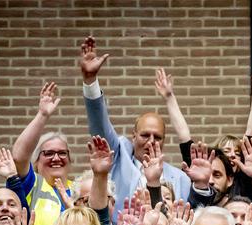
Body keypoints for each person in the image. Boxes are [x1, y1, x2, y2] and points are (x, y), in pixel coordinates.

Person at [79, 36, 191, 205]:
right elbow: (99, 125)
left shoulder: (181, 179)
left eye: (158, 137)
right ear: (134, 136)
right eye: (145, 135)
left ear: (164, 141)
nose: (151, 142)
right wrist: (90, 81)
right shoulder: (118, 158)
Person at [10, 82, 73, 225]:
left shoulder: (80, 189)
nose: (56, 158)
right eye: (49, 153)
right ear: (36, 161)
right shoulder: (32, 184)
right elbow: (18, 156)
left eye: (62, 153)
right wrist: (42, 115)